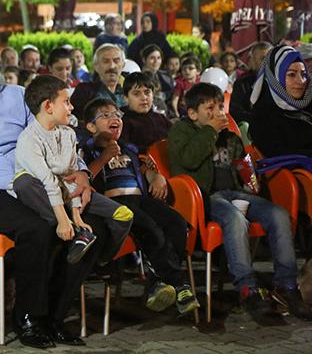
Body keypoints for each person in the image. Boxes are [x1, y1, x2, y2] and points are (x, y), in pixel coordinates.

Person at [0, 42, 130, 348]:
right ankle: (29, 317)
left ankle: (56, 317)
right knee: (39, 227)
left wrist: (84, 173)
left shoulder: (16, 97)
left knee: (92, 230)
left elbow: (59, 134)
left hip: (38, 181)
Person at [168, 83, 312, 320]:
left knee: (278, 214)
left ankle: (286, 286)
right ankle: (247, 288)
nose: (217, 113)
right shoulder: (181, 131)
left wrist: (247, 173)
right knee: (235, 220)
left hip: (234, 194)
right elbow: (189, 160)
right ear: (193, 113)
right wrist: (211, 131)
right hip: (205, 197)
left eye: (219, 107)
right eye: (209, 108)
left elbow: (240, 166)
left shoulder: (227, 134)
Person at [81, 98, 199, 315]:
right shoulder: (86, 150)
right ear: (90, 126)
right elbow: (83, 180)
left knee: (176, 222)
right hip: (113, 205)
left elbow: (145, 166)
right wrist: (105, 156)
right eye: (105, 115)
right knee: (150, 228)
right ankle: (180, 284)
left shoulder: (128, 147)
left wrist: (155, 176)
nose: (114, 118)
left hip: (139, 199)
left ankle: (157, 281)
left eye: (117, 114)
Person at [15, 75, 130, 268]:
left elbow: (73, 176)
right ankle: (76, 234)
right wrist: (64, 220)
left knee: (124, 215)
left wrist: (76, 214)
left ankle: (101, 261)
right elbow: (49, 182)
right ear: (48, 106)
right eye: (66, 102)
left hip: (68, 193)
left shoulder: (68, 134)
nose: (72, 107)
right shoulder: (29, 139)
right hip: (44, 195)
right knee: (23, 181)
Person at [250, 45, 312, 157]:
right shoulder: (263, 116)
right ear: (275, 77)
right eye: (291, 74)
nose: (301, 81)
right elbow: (281, 155)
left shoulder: (308, 103)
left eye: (303, 74)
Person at [70, 43, 126, 123]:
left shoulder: (129, 91)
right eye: (106, 61)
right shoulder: (84, 91)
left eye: (116, 61)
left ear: (123, 65)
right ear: (96, 66)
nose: (112, 66)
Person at [120, 72, 172, 153]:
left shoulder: (161, 118)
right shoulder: (123, 122)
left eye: (147, 92)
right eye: (136, 94)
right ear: (126, 98)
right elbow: (125, 148)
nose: (144, 98)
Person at [229, 42, 271, 125]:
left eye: (270, 58)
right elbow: (236, 112)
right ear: (252, 62)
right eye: (263, 58)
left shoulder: (283, 81)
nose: (267, 62)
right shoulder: (242, 83)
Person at [140, 45, 174, 116]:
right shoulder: (138, 78)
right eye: (152, 58)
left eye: (158, 58)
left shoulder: (167, 75)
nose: (156, 61)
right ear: (144, 59)